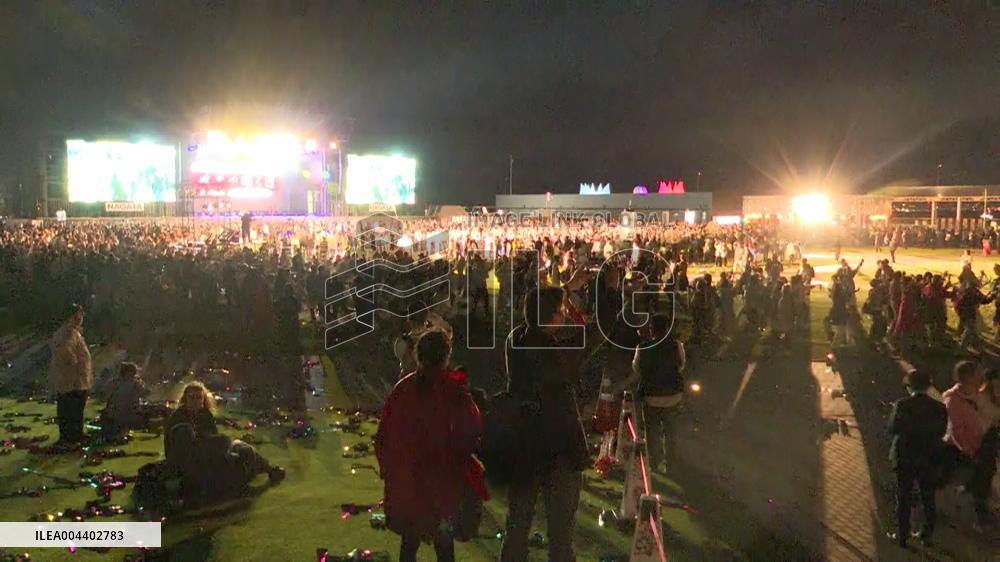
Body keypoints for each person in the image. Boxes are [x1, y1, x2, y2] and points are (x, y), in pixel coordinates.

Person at [375, 330, 485, 562]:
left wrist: (390, 470)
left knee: (410, 543)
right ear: (446, 356)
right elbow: (472, 429)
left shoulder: (404, 389)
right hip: (442, 485)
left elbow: (384, 435)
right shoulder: (453, 390)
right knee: (443, 546)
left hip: (411, 484)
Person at [501, 285, 589, 562]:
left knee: (517, 526)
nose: (564, 316)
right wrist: (572, 302)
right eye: (560, 312)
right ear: (550, 318)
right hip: (558, 450)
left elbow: (535, 319)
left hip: (523, 444)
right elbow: (588, 331)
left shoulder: (516, 340)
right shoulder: (556, 353)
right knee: (560, 535)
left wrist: (562, 293)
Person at [165, 383, 285, 500]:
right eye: (192, 397)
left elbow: (212, 437)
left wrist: (220, 443)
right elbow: (186, 448)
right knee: (230, 447)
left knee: (242, 447)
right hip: (192, 461)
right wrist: (219, 443)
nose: (195, 401)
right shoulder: (179, 419)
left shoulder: (205, 415)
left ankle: (269, 469)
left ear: (203, 400)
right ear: (185, 399)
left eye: (199, 398)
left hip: (208, 452)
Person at [887, 370, 947, 548]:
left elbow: (892, 428)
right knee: (928, 497)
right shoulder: (939, 408)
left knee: (903, 496)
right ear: (928, 386)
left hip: (905, 456)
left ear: (909, 386)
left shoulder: (902, 405)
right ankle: (927, 534)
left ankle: (902, 536)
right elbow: (941, 431)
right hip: (928, 457)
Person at [630, 314, 685, 472]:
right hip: (673, 395)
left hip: (651, 396)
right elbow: (681, 365)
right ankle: (671, 463)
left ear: (651, 329)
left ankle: (653, 463)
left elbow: (637, 368)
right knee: (671, 431)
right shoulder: (676, 346)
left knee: (652, 432)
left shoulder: (642, 348)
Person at [942, 361, 991, 530]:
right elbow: (954, 430)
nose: (982, 375)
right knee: (957, 485)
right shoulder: (953, 399)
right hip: (959, 452)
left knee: (968, 486)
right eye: (978, 373)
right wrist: (969, 450)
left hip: (977, 450)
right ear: (968, 377)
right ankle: (951, 522)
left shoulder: (978, 395)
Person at [49, 304, 93, 452]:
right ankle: (68, 438)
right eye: (79, 315)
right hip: (71, 380)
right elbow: (65, 352)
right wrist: (74, 364)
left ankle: (76, 435)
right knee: (69, 410)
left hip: (77, 380)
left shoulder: (74, 332)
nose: (81, 318)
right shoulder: (66, 332)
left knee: (77, 410)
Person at [100, 362, 150, 439]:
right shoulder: (136, 384)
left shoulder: (112, 382)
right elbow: (146, 393)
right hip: (130, 416)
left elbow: (104, 395)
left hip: (113, 415)